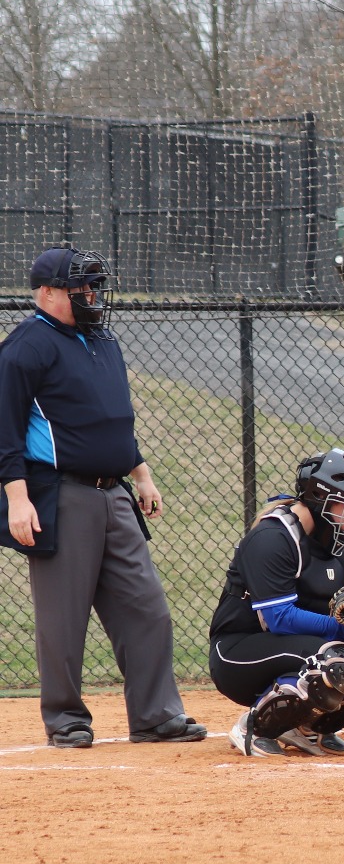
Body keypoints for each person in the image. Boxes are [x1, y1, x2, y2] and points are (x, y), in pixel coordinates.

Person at [0, 247, 205, 749]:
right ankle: (66, 719)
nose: (92, 296)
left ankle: (156, 715)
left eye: (94, 286)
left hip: (115, 494)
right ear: (47, 293)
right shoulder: (26, 347)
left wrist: (142, 474)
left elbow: (114, 418)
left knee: (147, 607)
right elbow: (4, 432)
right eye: (81, 288)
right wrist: (17, 500)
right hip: (60, 495)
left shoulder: (102, 339)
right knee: (62, 620)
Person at [211, 449, 344, 756]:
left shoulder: (329, 539)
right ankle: (255, 726)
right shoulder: (273, 537)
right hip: (239, 652)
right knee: (335, 661)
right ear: (321, 499)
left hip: (301, 644)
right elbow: (278, 618)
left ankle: (307, 726)